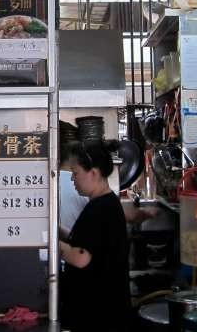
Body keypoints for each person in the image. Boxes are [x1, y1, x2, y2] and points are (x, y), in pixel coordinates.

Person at [59, 141, 131, 331]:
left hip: (98, 314)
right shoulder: (106, 203)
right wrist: (54, 229)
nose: (73, 180)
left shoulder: (100, 208)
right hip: (104, 311)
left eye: (75, 174)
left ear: (93, 173)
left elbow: (81, 257)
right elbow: (86, 243)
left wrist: (52, 245)